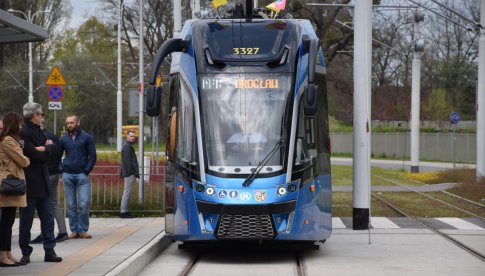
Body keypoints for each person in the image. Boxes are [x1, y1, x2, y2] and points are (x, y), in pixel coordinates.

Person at [19, 103, 62, 264]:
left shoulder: (40, 131)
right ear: (34, 115)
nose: (42, 117)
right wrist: (45, 149)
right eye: (41, 114)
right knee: (26, 221)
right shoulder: (23, 131)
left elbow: (54, 149)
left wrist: (44, 149)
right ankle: (25, 252)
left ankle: (49, 251)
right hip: (29, 183)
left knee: (48, 219)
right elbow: (30, 154)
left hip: (43, 182)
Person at [30, 121, 68, 244]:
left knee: (43, 204)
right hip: (54, 172)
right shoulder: (53, 136)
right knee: (53, 202)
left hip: (45, 173)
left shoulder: (40, 137)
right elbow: (58, 153)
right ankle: (62, 231)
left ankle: (45, 234)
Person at [0, 112, 30, 267]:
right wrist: (27, 158)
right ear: (13, 124)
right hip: (8, 184)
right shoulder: (8, 141)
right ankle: (2, 255)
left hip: (12, 182)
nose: (21, 126)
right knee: (5, 222)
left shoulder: (11, 140)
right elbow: (23, 161)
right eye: (19, 123)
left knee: (9, 221)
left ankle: (7, 252)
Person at [59, 115, 96, 239]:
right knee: (71, 205)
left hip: (82, 175)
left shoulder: (86, 137)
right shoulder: (63, 139)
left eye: (72, 122)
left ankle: (83, 229)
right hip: (67, 175)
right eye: (68, 123)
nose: (69, 125)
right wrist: (61, 170)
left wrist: (86, 171)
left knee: (84, 203)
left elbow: (93, 156)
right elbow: (57, 156)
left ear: (78, 123)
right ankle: (74, 230)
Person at [119, 130, 139, 218]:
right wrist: (133, 173)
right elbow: (128, 162)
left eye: (134, 136)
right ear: (127, 137)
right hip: (129, 173)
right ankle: (123, 212)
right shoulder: (127, 146)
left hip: (129, 173)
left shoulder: (127, 146)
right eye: (131, 136)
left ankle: (125, 211)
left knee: (127, 192)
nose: (133, 138)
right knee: (127, 192)